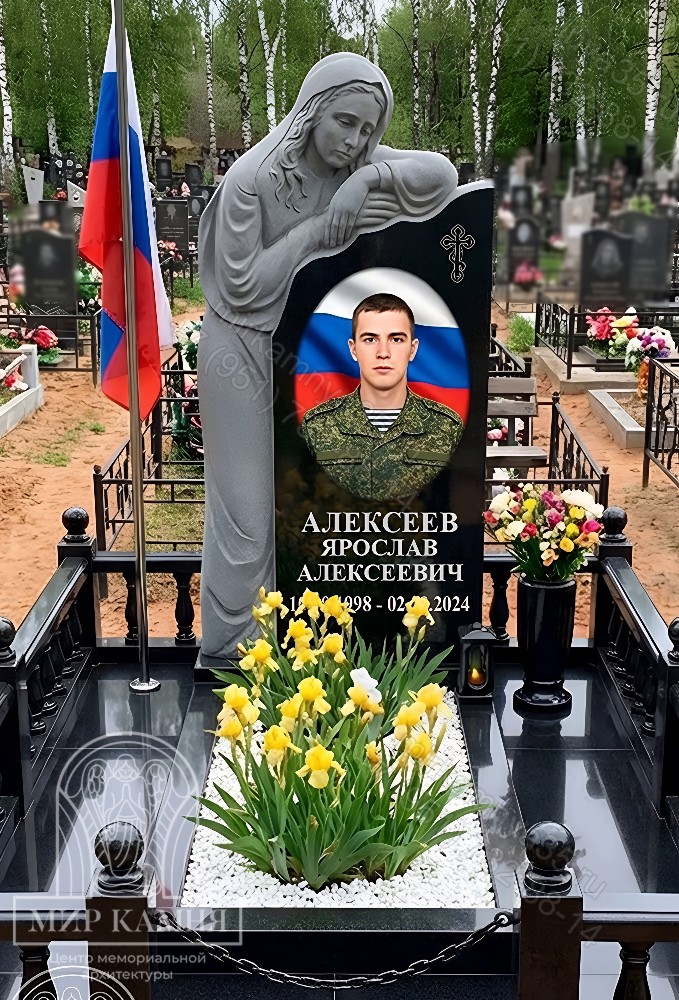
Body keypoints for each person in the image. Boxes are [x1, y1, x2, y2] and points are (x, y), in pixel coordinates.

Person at [197, 52, 458, 664]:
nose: (354, 141)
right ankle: (238, 653)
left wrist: (366, 181)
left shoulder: (358, 165)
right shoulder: (252, 179)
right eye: (344, 122)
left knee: (316, 490)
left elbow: (442, 176)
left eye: (368, 130)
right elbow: (240, 286)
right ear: (313, 110)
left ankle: (312, 643)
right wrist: (318, 230)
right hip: (242, 347)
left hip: (301, 347)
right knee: (248, 516)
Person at [301, 293, 463, 501]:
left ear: (412, 349)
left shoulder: (447, 427)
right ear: (353, 349)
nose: (383, 353)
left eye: (396, 339)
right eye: (370, 339)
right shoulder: (317, 426)